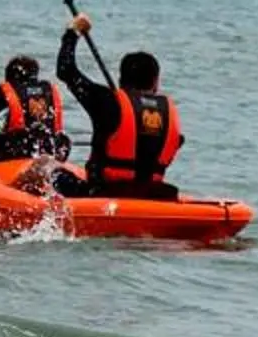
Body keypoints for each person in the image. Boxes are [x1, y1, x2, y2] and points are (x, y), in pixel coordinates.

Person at [52, 13, 181, 198]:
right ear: (156, 82)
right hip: (154, 195)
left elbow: (65, 70)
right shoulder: (168, 112)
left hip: (104, 194)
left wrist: (72, 32)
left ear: (121, 80)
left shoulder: (108, 101)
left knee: (52, 173)